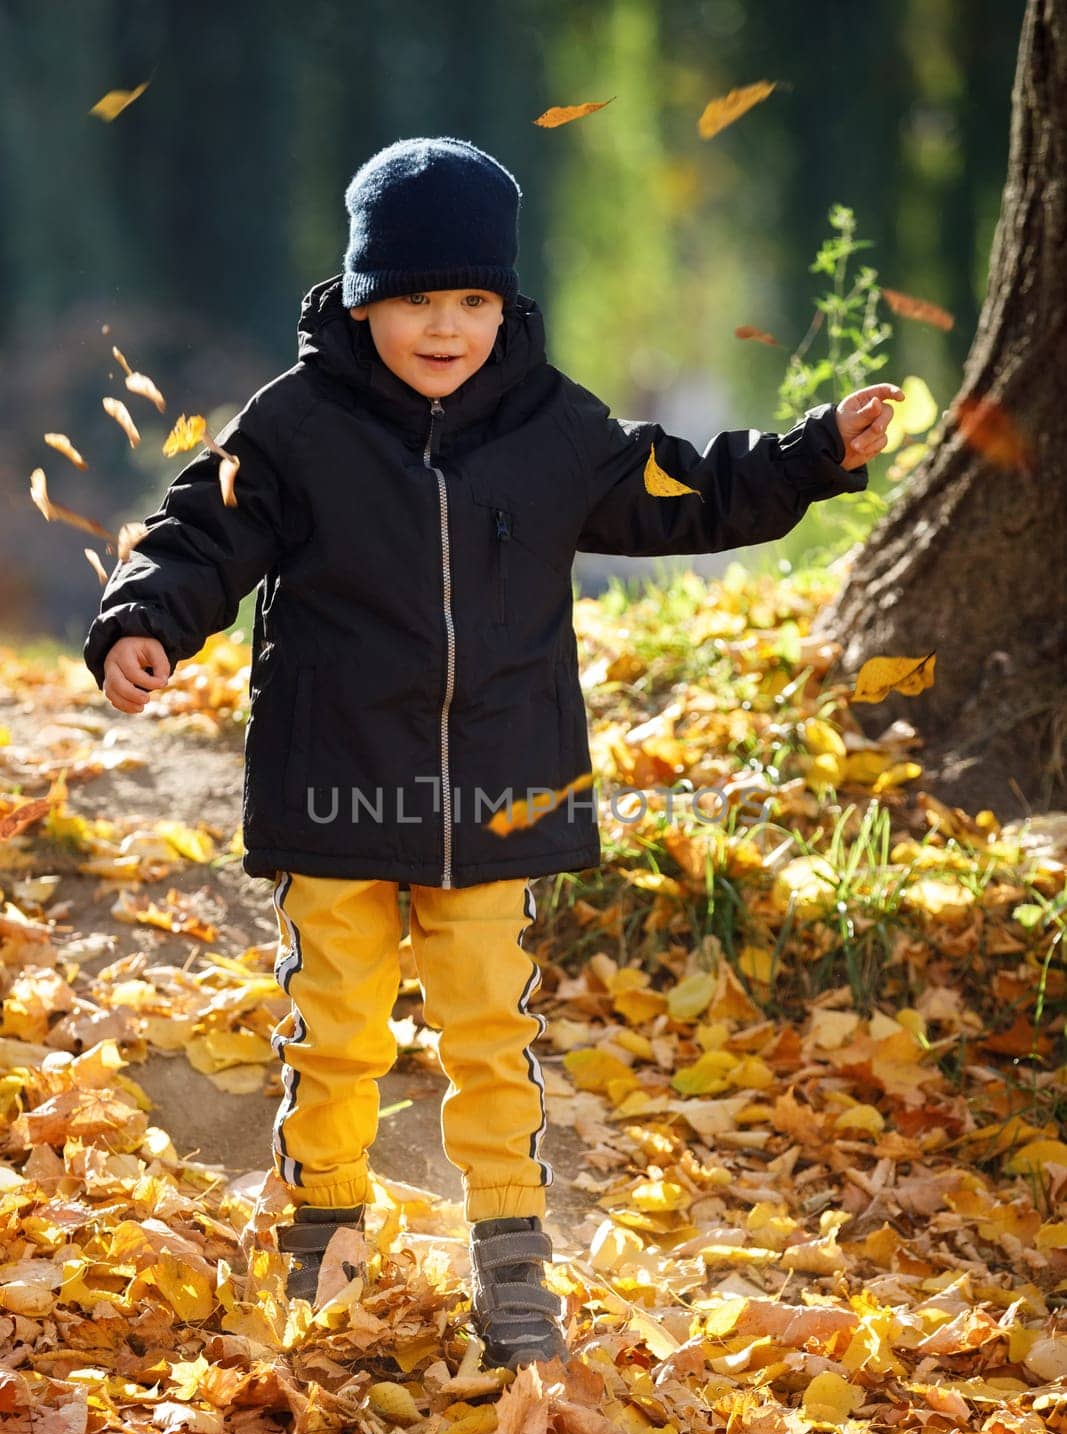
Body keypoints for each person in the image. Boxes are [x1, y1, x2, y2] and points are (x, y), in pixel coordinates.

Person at [83, 135, 902, 1371]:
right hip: (337, 788)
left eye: (471, 300)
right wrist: (143, 619)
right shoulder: (296, 426)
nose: (445, 326)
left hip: (496, 797)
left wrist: (803, 458)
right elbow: (202, 530)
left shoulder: (549, 424)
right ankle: (321, 1228)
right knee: (337, 1025)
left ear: (503, 306)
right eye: (415, 298)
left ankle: (512, 1258)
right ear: (362, 300)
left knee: (487, 1031)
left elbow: (679, 490)